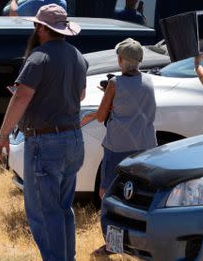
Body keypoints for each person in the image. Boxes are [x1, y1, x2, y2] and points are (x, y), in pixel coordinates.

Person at [0, 4, 86, 261]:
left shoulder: (38, 58)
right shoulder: (78, 56)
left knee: (44, 213)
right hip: (74, 139)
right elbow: (80, 96)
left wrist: (3, 136)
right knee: (63, 208)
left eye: (37, 25)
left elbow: (22, 97)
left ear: (42, 29)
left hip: (46, 142)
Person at [82, 38, 156, 254]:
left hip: (118, 146)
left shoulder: (115, 83)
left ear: (121, 60)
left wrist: (107, 95)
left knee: (108, 193)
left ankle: (112, 244)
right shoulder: (149, 80)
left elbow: (102, 116)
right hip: (145, 145)